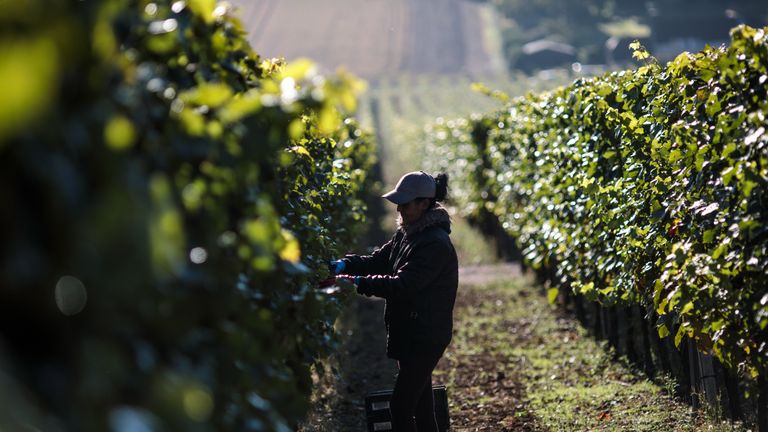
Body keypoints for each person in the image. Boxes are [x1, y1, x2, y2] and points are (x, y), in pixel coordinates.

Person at [330, 171, 459, 432]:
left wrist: (356, 282)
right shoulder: (408, 233)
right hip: (410, 331)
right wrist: (344, 264)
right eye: (398, 203)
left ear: (424, 204)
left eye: (406, 203)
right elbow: (379, 260)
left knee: (400, 407)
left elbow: (404, 285)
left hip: (426, 335)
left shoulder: (434, 244)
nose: (400, 208)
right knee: (422, 406)